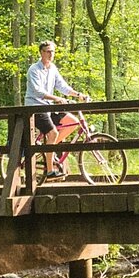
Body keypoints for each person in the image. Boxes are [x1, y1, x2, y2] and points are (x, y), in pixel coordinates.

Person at [23, 40, 86, 178]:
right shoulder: (34, 70)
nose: (51, 54)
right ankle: (50, 170)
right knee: (53, 133)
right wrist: (57, 99)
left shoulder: (53, 69)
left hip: (48, 106)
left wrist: (78, 95)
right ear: (41, 53)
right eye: (48, 51)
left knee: (73, 122)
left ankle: (47, 150)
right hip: (36, 107)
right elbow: (39, 92)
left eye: (53, 51)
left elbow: (62, 86)